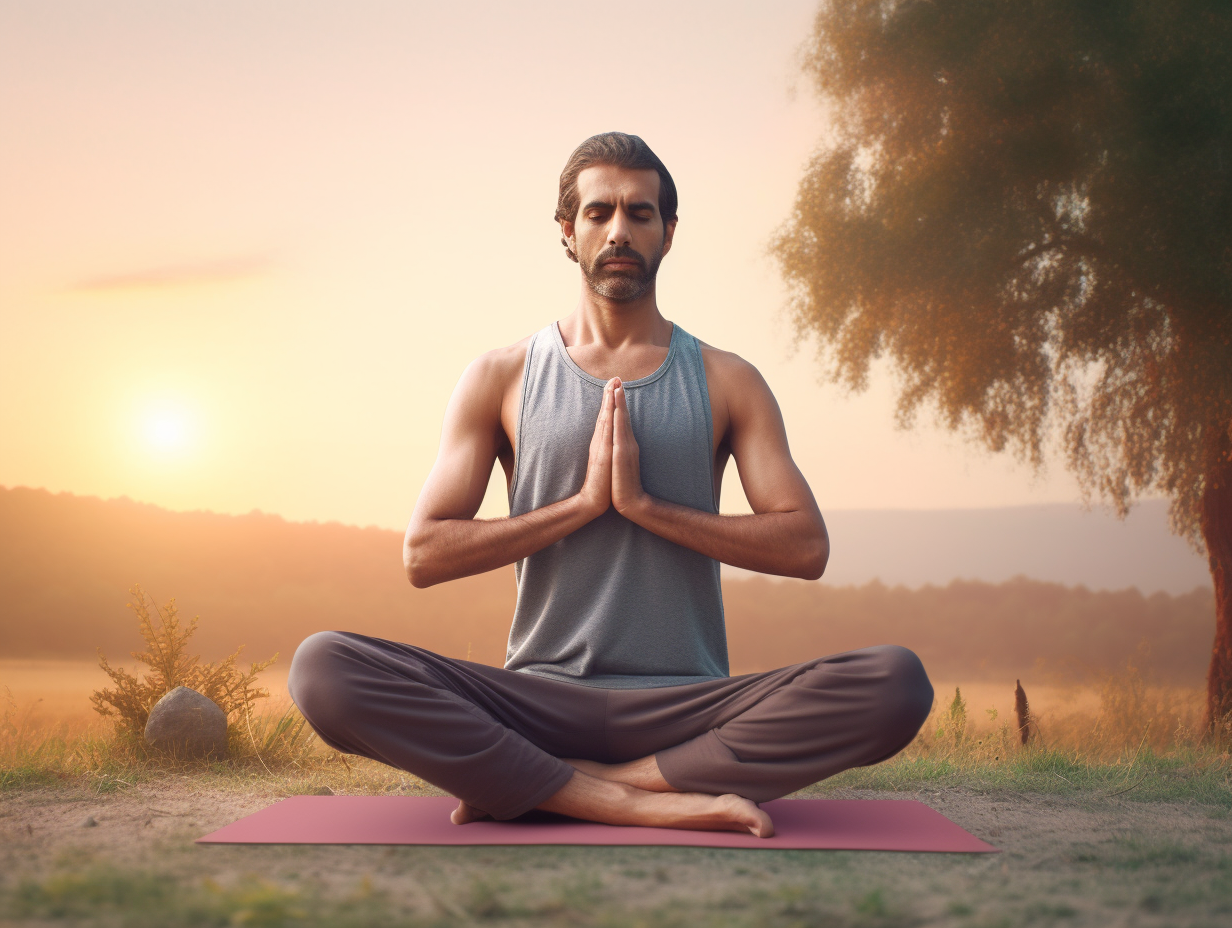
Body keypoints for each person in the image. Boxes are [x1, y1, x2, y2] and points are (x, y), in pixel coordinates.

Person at [288, 132, 933, 838]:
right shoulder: (499, 377)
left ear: (669, 232)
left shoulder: (728, 379)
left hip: (687, 707)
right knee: (324, 668)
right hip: (536, 701)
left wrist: (646, 508)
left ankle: (564, 785)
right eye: (599, 213)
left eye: (640, 213)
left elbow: (805, 547)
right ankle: (631, 799)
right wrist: (582, 506)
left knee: (895, 684)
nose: (619, 230)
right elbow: (424, 555)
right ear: (568, 232)